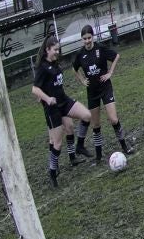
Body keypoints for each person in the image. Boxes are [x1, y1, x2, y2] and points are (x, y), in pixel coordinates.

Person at [30, 34, 94, 188]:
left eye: (58, 49)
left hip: (64, 101)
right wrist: (47, 98)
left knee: (86, 115)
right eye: (55, 50)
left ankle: (79, 147)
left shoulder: (55, 63)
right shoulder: (43, 67)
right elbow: (34, 89)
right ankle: (52, 172)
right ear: (47, 50)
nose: (57, 52)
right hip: (52, 109)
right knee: (57, 143)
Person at [70, 24, 131, 159]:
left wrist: (110, 72)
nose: (87, 41)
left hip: (105, 88)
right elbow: (74, 69)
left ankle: (125, 146)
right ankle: (98, 155)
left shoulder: (100, 48)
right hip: (92, 92)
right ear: (82, 39)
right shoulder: (80, 54)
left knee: (113, 119)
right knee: (96, 124)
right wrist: (82, 80)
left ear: (93, 37)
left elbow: (116, 56)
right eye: (85, 38)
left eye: (89, 37)